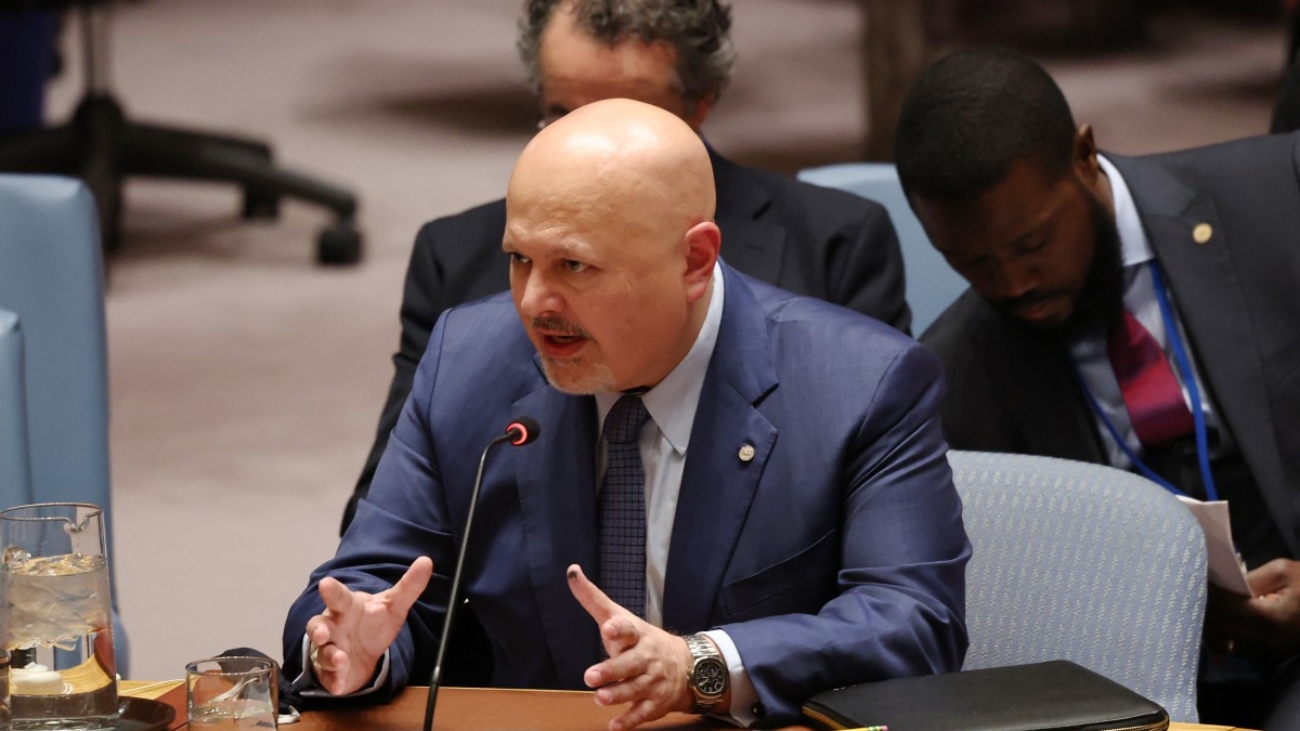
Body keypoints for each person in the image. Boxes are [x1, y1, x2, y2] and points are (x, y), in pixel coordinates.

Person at [284, 99, 969, 731]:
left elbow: (912, 620)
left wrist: (702, 664)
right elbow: (372, 584)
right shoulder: (468, 360)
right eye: (520, 258)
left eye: (575, 266)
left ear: (695, 259)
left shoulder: (861, 383)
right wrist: (350, 649)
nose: (532, 301)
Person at [343, 0, 912, 533]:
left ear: (702, 100)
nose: (588, 145)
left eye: (629, 116)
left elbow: (880, 530)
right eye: (562, 115)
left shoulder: (833, 246)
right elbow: (385, 530)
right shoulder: (459, 259)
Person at [893, 47, 1300, 730]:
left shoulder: (1279, 199)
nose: (1013, 284)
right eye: (972, 263)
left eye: (1033, 243)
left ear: (1084, 155)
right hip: (1128, 683)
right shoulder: (954, 368)